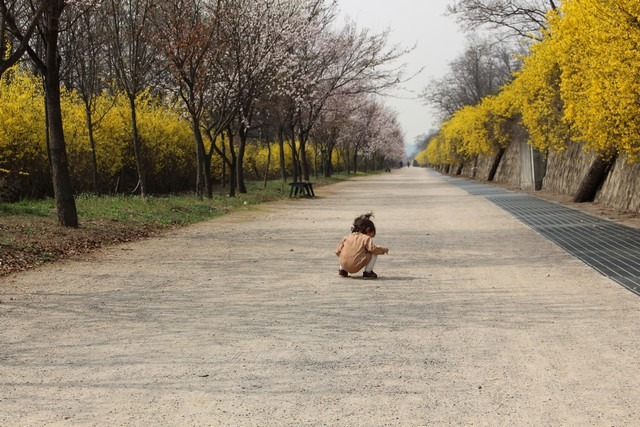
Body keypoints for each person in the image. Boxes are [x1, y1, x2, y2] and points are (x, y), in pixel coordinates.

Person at [335, 213, 389, 279]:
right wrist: (383, 250)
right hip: (355, 266)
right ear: (368, 230)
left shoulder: (347, 237)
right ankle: (368, 272)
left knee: (345, 250)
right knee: (373, 253)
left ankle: (342, 270)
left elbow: (337, 251)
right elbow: (373, 249)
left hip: (343, 264)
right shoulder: (366, 238)